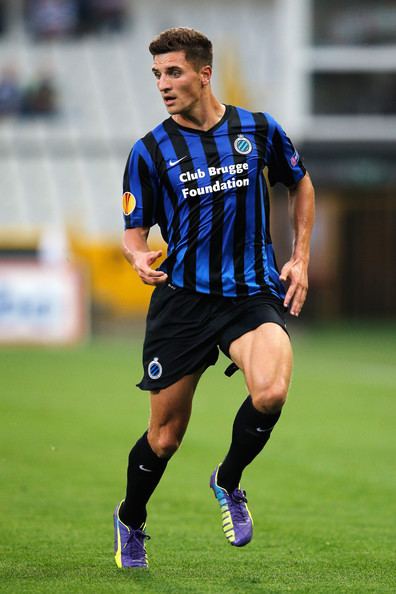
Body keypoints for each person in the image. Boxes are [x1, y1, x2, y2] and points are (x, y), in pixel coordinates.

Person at [114, 27, 315, 569]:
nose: (163, 83)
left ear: (205, 73)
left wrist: (300, 253)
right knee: (165, 437)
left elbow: (300, 182)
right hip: (182, 302)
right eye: (157, 74)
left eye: (173, 72)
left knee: (271, 391)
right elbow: (135, 228)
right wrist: (136, 256)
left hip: (250, 294)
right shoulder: (151, 150)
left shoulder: (258, 128)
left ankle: (228, 481)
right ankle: (131, 519)